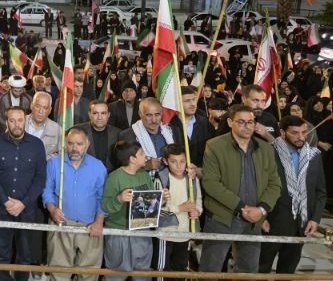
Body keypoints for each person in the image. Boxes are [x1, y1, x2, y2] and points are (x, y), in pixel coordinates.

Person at [199, 104, 282, 276]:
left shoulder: (265, 148)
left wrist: (261, 210)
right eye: (241, 122)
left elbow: (275, 184)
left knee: (248, 271)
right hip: (222, 218)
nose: (247, 126)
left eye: (250, 122)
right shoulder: (214, 146)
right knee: (210, 270)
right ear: (230, 122)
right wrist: (242, 208)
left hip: (254, 221)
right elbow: (211, 183)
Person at [0, 106, 46, 281]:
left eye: (20, 120)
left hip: (27, 210)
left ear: (25, 121)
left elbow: (40, 179)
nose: (16, 124)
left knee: (25, 253)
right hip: (2, 209)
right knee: (2, 252)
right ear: (6, 122)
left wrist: (23, 203)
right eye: (12, 120)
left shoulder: (36, 145)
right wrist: (5, 201)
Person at [258, 115, 326, 274]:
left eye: (304, 132)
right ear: (282, 132)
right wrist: (261, 218)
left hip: (301, 226)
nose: (301, 137)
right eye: (295, 133)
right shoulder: (268, 152)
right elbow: (258, 188)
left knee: (288, 272)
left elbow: (320, 191)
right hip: (271, 223)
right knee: (260, 269)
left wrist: (315, 219)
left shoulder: (314, 155)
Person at [42, 127, 106, 281]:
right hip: (61, 225)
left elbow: (103, 198)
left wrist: (99, 222)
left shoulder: (98, 167)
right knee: (59, 273)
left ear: (87, 144)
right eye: (70, 143)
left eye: (79, 144)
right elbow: (47, 191)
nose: (74, 148)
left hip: (90, 227)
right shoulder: (54, 164)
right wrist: (52, 209)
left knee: (89, 274)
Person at [102, 140, 165, 281]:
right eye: (141, 153)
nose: (145, 156)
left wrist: (162, 198)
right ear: (132, 159)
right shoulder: (114, 178)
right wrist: (119, 199)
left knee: (142, 274)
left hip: (142, 231)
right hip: (119, 232)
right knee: (115, 274)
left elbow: (152, 203)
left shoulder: (144, 175)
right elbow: (105, 205)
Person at [157, 144, 202, 276]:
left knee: (181, 271)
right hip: (165, 234)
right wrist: (180, 208)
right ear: (165, 161)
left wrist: (197, 211)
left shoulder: (192, 179)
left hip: (185, 233)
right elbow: (156, 211)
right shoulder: (161, 180)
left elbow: (198, 200)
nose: (179, 166)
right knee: (162, 271)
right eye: (173, 162)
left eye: (182, 161)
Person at [77, 100, 121, 171]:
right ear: (89, 114)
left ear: (108, 115)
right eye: (95, 113)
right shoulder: (78, 131)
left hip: (110, 175)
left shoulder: (118, 133)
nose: (99, 117)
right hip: (85, 174)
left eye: (103, 113)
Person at [25, 92, 61, 160]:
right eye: (38, 106)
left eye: (45, 108)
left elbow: (62, 155)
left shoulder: (57, 130)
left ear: (50, 110)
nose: (40, 111)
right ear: (31, 105)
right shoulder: (19, 123)